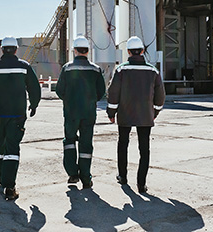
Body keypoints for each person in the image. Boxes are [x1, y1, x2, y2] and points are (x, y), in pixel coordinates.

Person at [0, 36, 41, 200]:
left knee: (0, 143)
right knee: (12, 148)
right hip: (17, 115)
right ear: (16, 49)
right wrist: (34, 105)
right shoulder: (24, 66)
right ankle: (9, 186)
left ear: (2, 49)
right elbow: (34, 88)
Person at [106, 36, 165, 194]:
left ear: (128, 52)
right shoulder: (153, 71)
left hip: (125, 114)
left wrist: (111, 113)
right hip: (145, 115)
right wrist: (155, 112)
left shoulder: (121, 70)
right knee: (144, 149)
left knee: (122, 145)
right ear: (143, 51)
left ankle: (123, 177)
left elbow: (113, 93)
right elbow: (160, 96)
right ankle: (141, 184)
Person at [55, 35, 106, 189]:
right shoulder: (95, 69)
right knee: (86, 144)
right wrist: (90, 101)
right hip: (88, 113)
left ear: (74, 50)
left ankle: (72, 173)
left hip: (71, 113)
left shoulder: (67, 68)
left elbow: (59, 90)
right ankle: (86, 177)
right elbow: (101, 92)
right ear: (88, 51)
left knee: (69, 141)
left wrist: (69, 101)